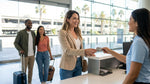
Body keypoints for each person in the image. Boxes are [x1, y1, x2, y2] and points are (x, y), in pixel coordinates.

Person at [102, 8, 150, 84]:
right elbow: (127, 60)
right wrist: (110, 51)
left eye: (130, 19)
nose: (128, 23)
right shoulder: (141, 39)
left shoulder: (139, 42)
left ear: (137, 23)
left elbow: (133, 75)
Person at [58, 10, 97, 80]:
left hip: (79, 63)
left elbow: (79, 49)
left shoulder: (78, 32)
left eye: (78, 18)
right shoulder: (62, 32)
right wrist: (84, 51)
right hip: (67, 66)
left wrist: (88, 53)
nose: (77, 21)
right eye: (74, 18)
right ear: (67, 19)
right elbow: (67, 50)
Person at [14, 19, 36, 84]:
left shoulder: (33, 33)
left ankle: (29, 82)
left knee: (30, 71)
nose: (30, 24)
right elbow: (15, 43)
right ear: (25, 24)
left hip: (32, 55)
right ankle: (23, 82)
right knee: (23, 71)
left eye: (31, 23)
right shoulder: (21, 33)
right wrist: (20, 49)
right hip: (24, 55)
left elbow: (35, 42)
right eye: (29, 23)